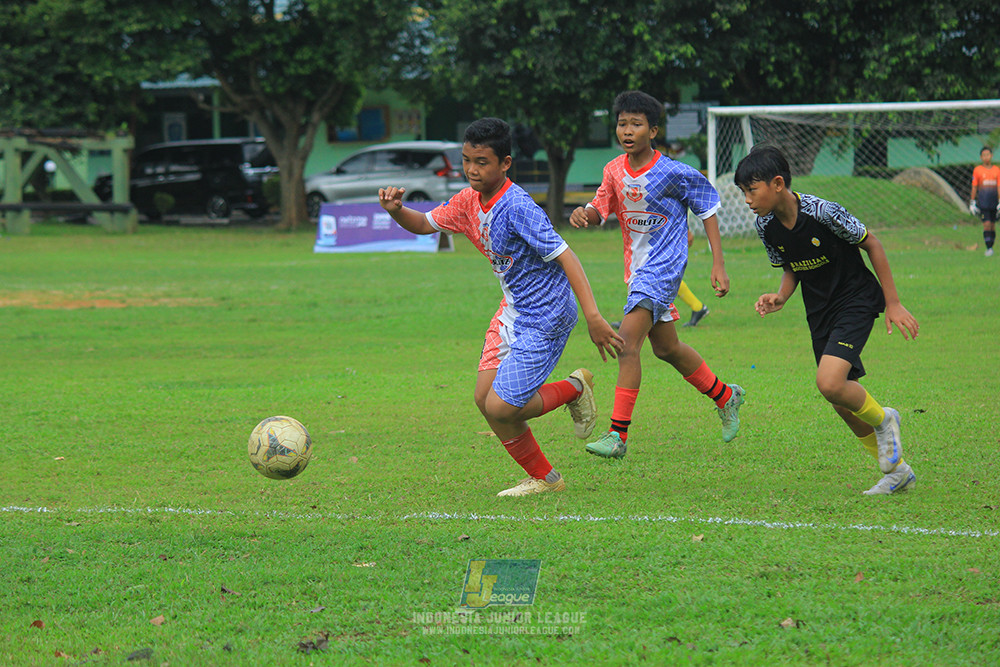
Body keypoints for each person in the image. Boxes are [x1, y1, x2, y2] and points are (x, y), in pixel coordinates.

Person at [378, 117, 624, 497]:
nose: (473, 170)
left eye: (482, 162)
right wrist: (396, 210)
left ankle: (573, 390)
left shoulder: (518, 207)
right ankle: (546, 479)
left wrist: (593, 316)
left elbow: (567, 257)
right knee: (484, 399)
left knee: (502, 407)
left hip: (547, 315)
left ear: (505, 163)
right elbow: (425, 223)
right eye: (467, 160)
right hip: (513, 310)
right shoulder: (466, 201)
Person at [734, 145, 920, 495]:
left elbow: (873, 244)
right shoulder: (765, 225)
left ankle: (885, 420)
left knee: (830, 383)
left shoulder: (823, 212)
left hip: (855, 299)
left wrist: (892, 302)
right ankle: (897, 471)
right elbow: (791, 264)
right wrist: (781, 296)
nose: (747, 199)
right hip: (819, 310)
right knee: (839, 400)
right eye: (743, 192)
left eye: (751, 190)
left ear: (777, 184)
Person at [569, 90, 744, 459]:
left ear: (654, 130)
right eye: (622, 123)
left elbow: (708, 207)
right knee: (667, 348)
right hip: (637, 272)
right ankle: (727, 396)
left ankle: (618, 436)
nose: (627, 130)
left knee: (627, 344)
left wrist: (718, 263)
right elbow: (602, 205)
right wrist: (586, 213)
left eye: (636, 124)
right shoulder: (614, 170)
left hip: (664, 269)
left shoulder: (674, 172)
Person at [611, 229, 709, 330]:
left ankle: (634, 316)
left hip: (664, 237)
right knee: (656, 277)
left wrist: (686, 231)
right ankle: (698, 307)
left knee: (651, 276)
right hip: (652, 236)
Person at [970, 146, 999, 257]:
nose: (986, 157)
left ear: (991, 156)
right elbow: (974, 186)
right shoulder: (977, 170)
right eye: (984, 155)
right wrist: (972, 202)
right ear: (981, 157)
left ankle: (991, 245)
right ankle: (989, 247)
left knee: (992, 225)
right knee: (986, 224)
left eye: (988, 155)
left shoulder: (997, 170)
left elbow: (999, 186)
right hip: (983, 202)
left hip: (994, 202)